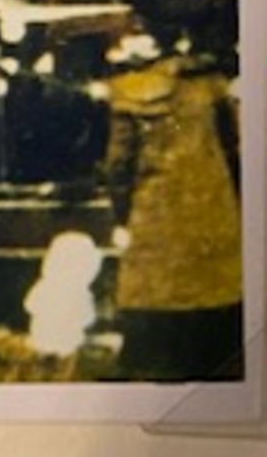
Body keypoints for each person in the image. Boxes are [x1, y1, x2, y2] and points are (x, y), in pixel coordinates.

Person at [102, 31, 244, 381]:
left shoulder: (129, 91)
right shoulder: (212, 87)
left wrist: (122, 215)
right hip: (214, 221)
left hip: (154, 224)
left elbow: (119, 168)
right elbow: (236, 151)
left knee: (153, 347)